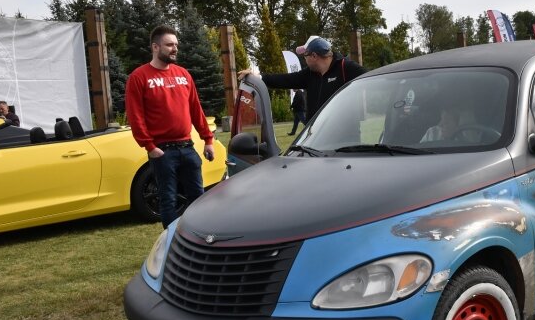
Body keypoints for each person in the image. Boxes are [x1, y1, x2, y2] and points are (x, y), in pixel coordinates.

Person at [124, 25, 216, 229]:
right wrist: (150, 147)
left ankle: (198, 239)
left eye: (176, 45)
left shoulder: (183, 74)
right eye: (169, 45)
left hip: (188, 148)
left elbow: (196, 109)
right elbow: (135, 116)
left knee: (198, 198)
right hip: (163, 152)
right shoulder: (139, 77)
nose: (174, 49)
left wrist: (207, 140)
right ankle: (172, 245)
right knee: (168, 199)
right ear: (155, 47)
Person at [238, 36, 366, 121]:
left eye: (305, 56)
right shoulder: (309, 74)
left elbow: (372, 81)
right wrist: (258, 77)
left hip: (346, 135)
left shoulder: (346, 67)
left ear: (314, 56)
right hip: (316, 134)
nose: (304, 60)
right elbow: (286, 80)